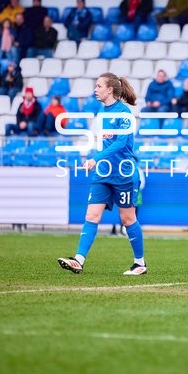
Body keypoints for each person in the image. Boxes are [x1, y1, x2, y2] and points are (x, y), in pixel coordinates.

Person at [57, 73, 148, 275]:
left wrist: (96, 158)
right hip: (103, 173)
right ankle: (78, 260)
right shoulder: (101, 111)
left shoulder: (124, 113)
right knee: (91, 215)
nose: (95, 89)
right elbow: (105, 142)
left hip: (123, 173)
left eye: (99, 86)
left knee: (128, 219)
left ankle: (140, 263)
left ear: (110, 90)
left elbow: (121, 143)